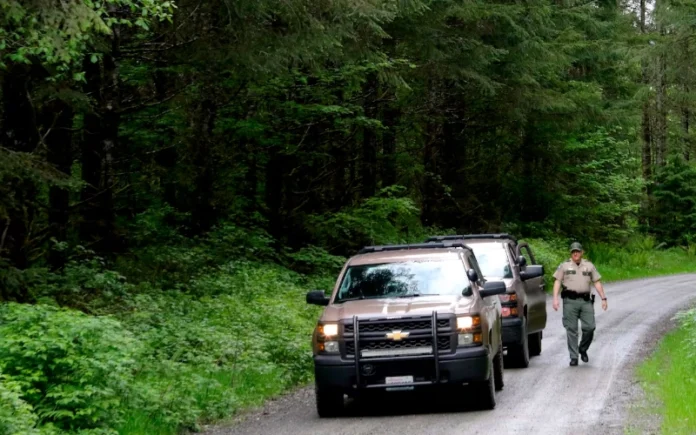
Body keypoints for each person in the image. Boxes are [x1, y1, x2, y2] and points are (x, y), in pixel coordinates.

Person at [552, 242, 608, 366]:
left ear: (582, 252)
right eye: (573, 251)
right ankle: (573, 357)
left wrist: (603, 298)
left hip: (585, 301)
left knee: (590, 327)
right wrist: (555, 299)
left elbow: (597, 282)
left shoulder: (589, 266)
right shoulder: (564, 266)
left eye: (577, 251)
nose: (575, 253)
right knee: (571, 329)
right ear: (571, 253)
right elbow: (557, 281)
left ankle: (582, 348)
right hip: (570, 302)